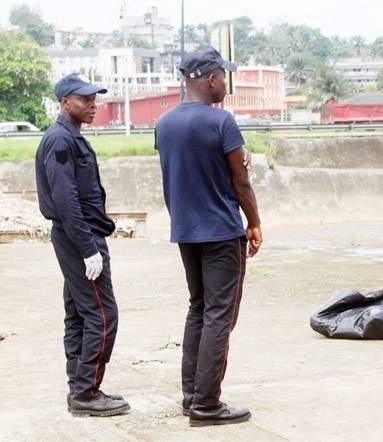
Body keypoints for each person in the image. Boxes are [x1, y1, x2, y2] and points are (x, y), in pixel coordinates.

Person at [155, 45, 262, 427]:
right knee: (220, 315)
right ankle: (207, 404)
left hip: (186, 231)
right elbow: (240, 181)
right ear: (212, 79)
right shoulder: (222, 122)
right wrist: (254, 221)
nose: (225, 84)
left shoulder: (164, 124)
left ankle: (191, 396)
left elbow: (186, 169)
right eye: (223, 77)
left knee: (198, 308)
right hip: (221, 232)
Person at [35, 73, 131, 417]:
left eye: (94, 99)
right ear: (65, 102)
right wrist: (88, 249)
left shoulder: (70, 138)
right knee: (103, 315)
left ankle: (80, 387)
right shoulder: (61, 141)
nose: (93, 105)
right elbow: (66, 201)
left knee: (78, 311)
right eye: (85, 99)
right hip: (79, 236)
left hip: (76, 235)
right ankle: (86, 393)